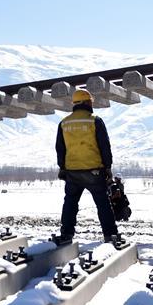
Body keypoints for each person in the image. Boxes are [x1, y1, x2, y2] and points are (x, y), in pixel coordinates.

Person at [54, 89, 120, 243]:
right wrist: (108, 167)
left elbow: (60, 148)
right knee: (103, 203)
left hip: (72, 172)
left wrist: (62, 167)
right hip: (94, 171)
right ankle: (110, 235)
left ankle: (66, 234)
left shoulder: (64, 123)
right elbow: (104, 146)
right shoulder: (95, 120)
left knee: (70, 203)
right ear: (87, 102)